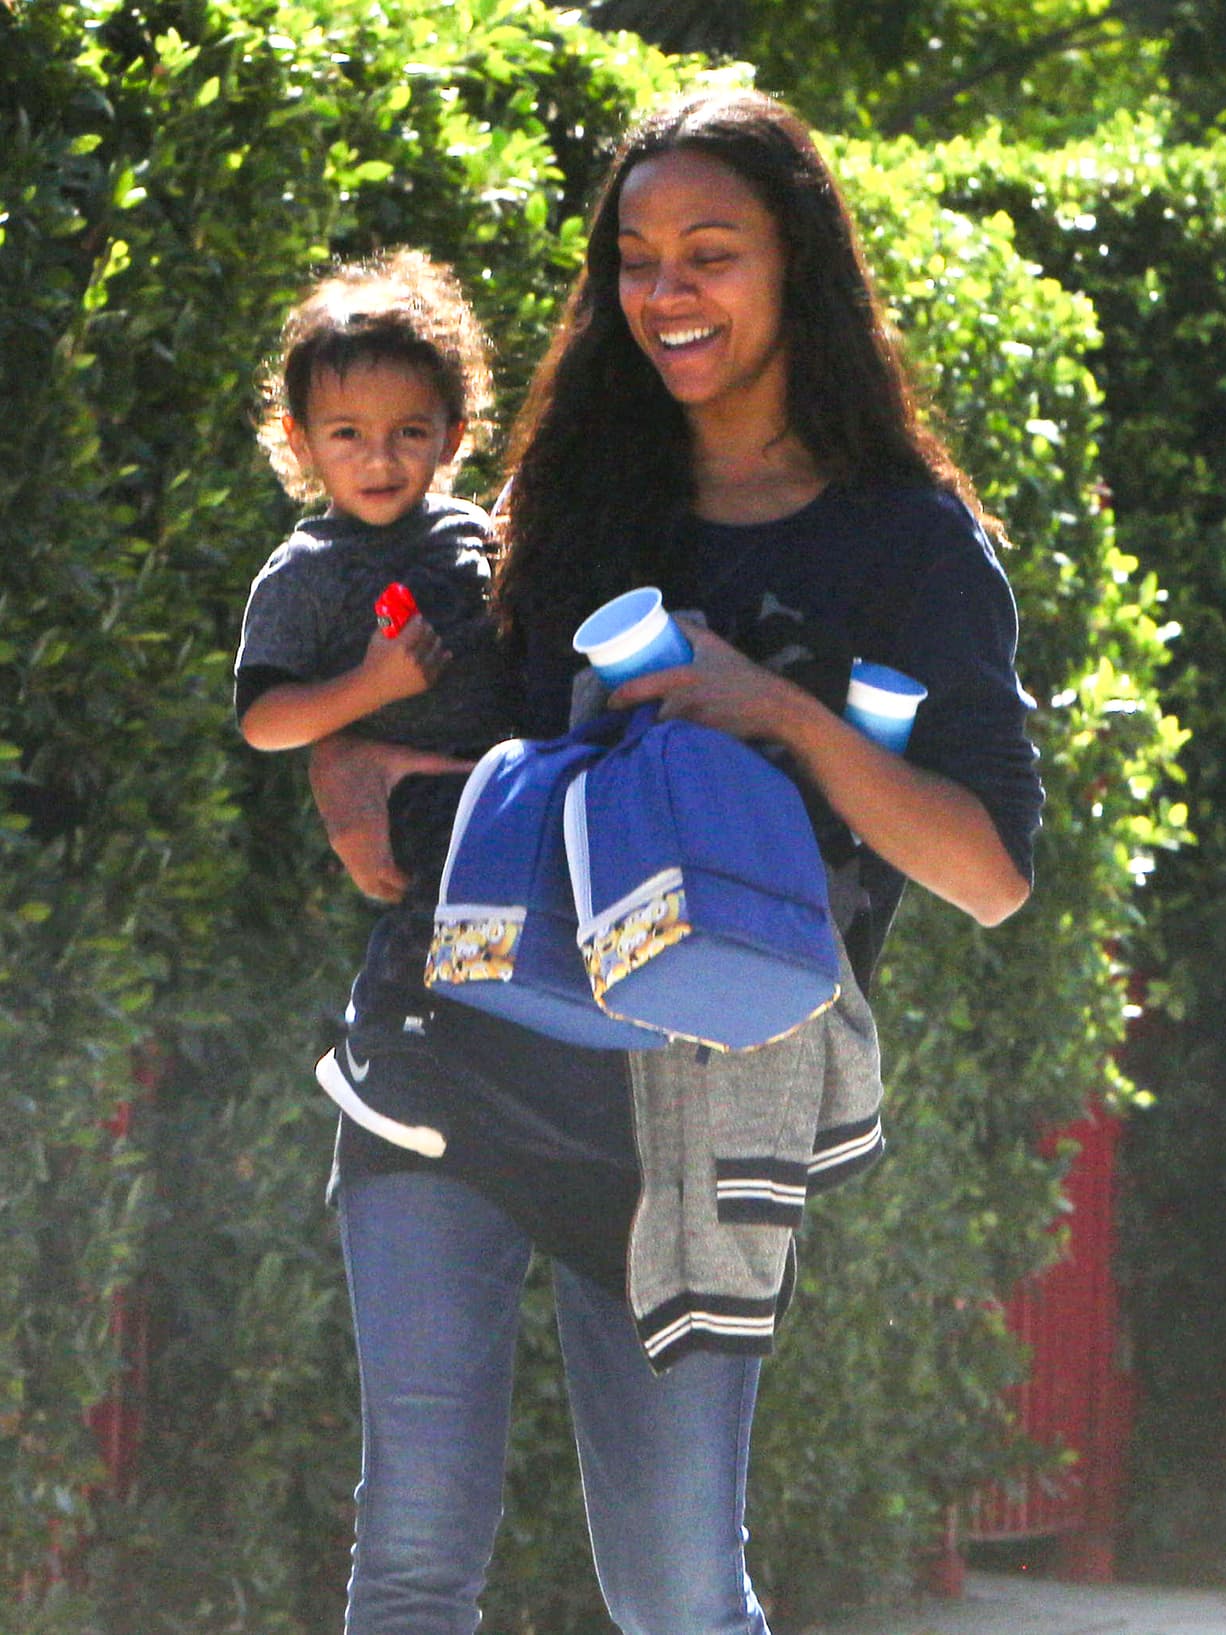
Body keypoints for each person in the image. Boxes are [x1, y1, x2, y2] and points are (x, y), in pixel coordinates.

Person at [307, 89, 1044, 1635]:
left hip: (691, 1130)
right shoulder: (568, 490)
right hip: (453, 1056)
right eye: (635, 257)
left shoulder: (909, 544)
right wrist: (355, 763)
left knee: (676, 1593)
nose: (666, 293)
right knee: (412, 1568)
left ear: (799, 269)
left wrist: (772, 707)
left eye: (709, 251)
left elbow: (985, 871)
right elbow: (446, 767)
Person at [235, 248, 513, 903]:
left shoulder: (470, 528)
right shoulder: (305, 570)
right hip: (415, 827)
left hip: (509, 795)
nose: (379, 460)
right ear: (301, 440)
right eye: (348, 435)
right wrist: (372, 685)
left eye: (409, 431)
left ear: (451, 436)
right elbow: (263, 721)